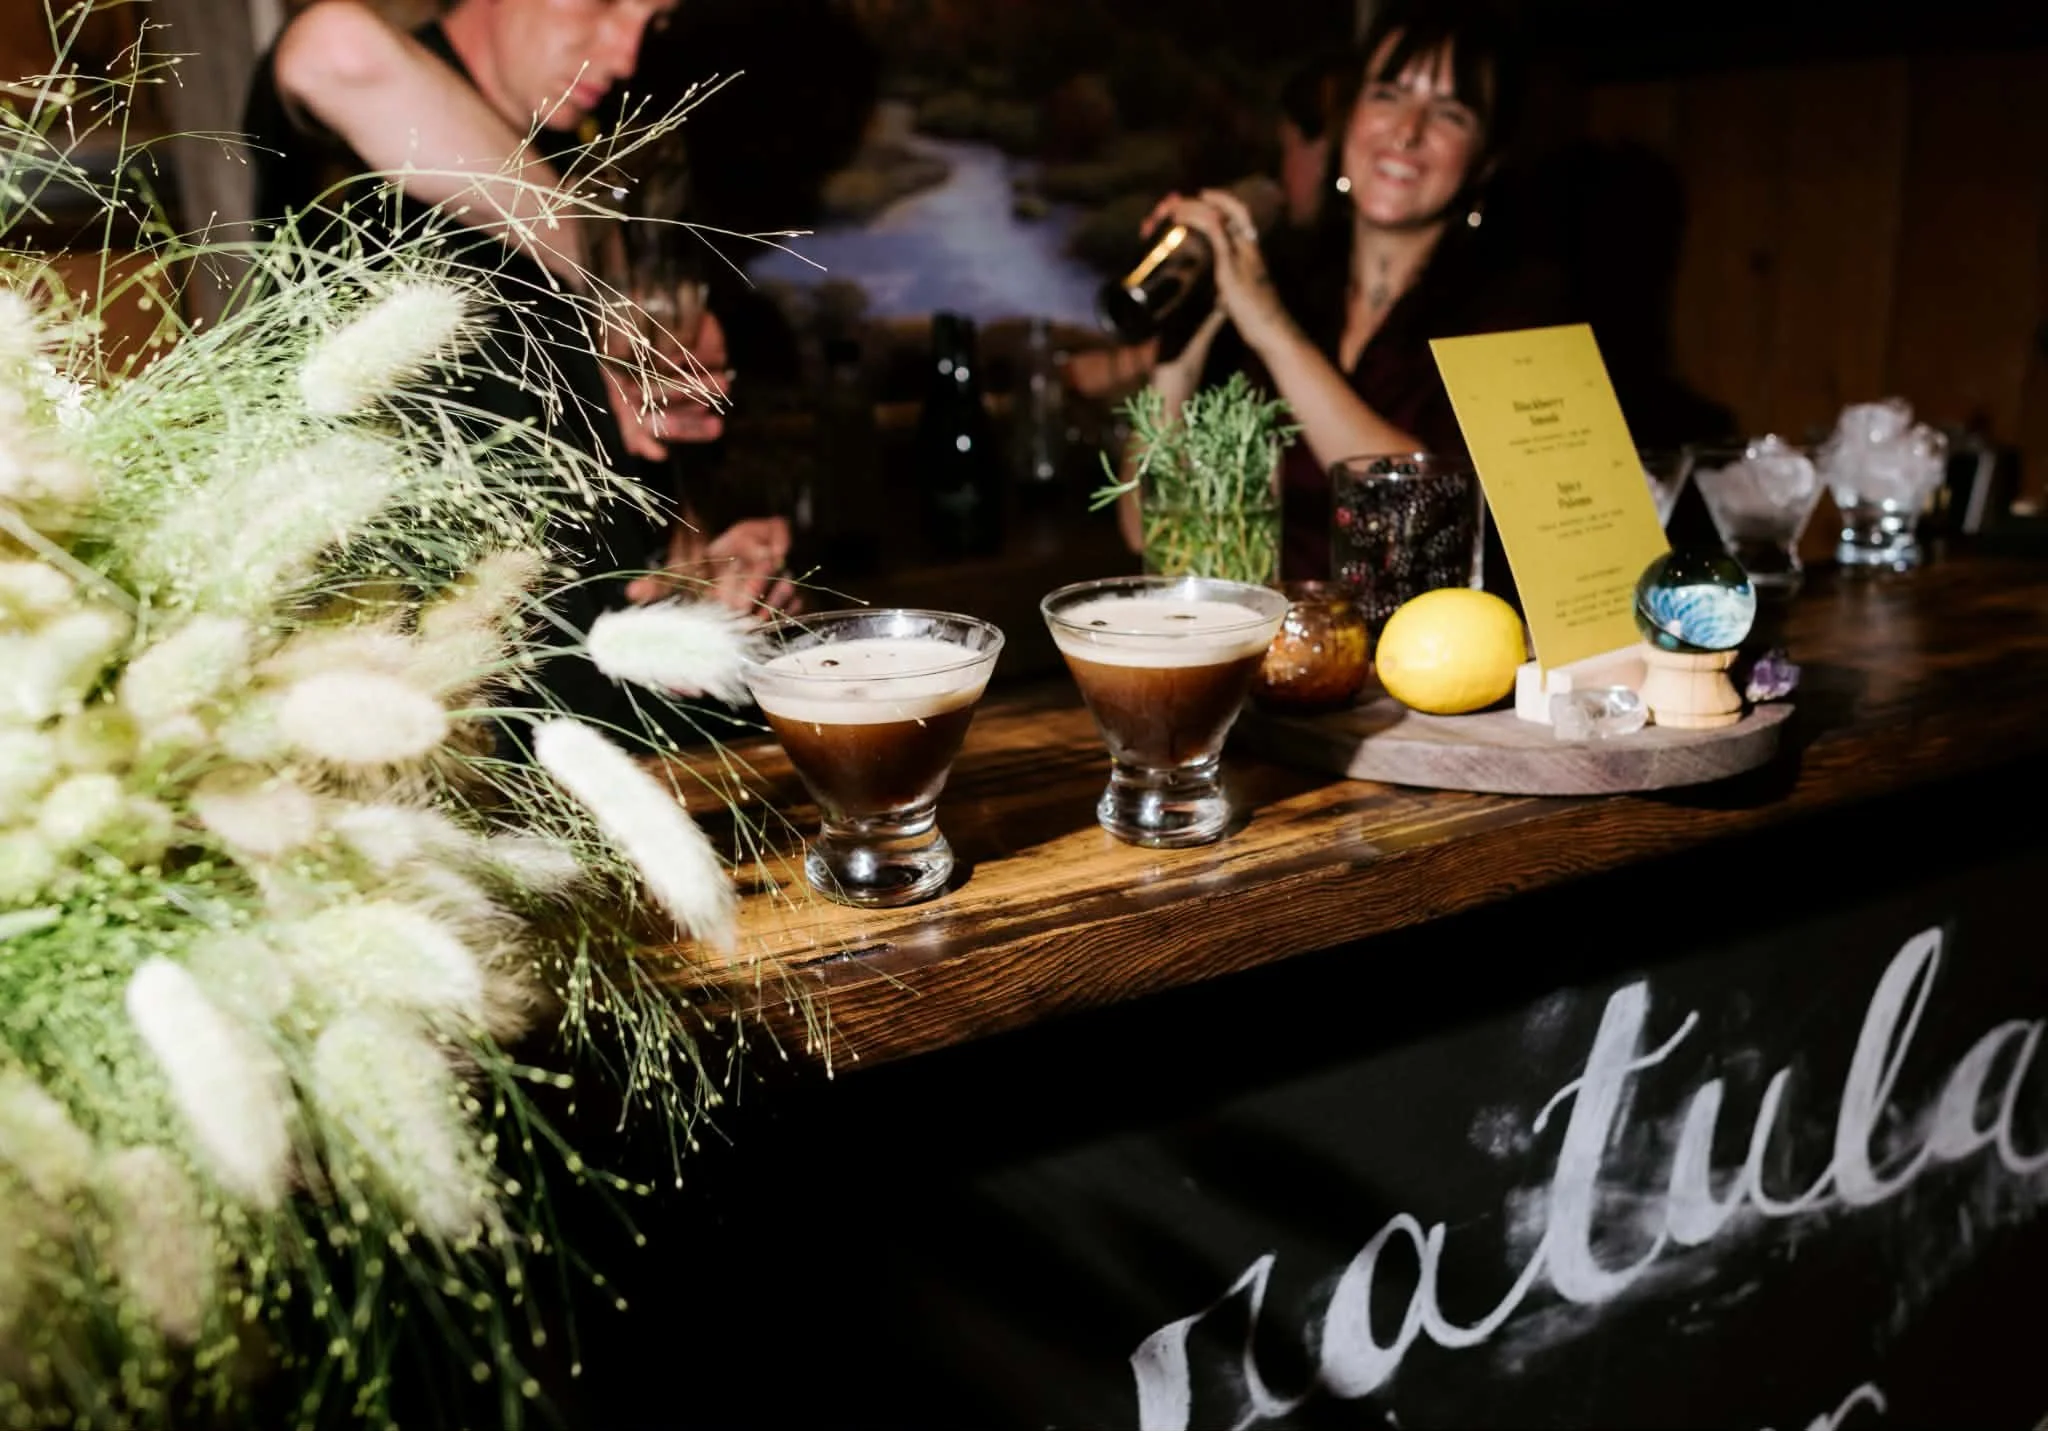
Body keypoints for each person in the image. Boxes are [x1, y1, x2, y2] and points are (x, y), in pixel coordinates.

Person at [240, 0, 797, 718]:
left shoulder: (587, 155)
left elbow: (631, 461)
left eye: (652, 22)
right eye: (603, 3)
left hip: (633, 714)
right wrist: (614, 285)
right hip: (463, 729)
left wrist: (708, 557)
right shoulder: (354, 134)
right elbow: (335, 52)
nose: (625, 55)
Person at [1117, 0, 1572, 587]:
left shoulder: (1520, 307)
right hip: (1275, 636)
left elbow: (1425, 514)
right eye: (1387, 95)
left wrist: (1272, 330)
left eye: (1450, 113)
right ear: (1349, 118)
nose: (1407, 132)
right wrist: (1181, 341)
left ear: (1485, 159)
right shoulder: (1287, 284)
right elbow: (1144, 530)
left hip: (1424, 642)